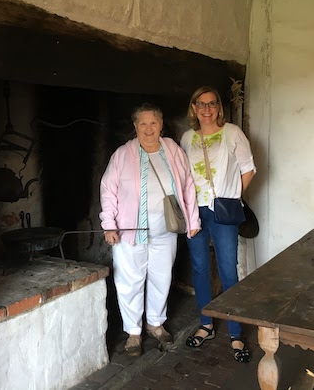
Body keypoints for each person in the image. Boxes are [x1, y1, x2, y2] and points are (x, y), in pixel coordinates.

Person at [100, 103, 201, 357]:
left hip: (165, 230)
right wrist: (108, 224)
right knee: (129, 282)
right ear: (135, 127)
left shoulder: (173, 150)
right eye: (142, 123)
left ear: (161, 124)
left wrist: (193, 221)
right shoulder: (122, 154)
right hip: (129, 231)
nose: (148, 128)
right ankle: (133, 332)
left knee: (161, 277)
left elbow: (188, 184)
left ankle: (155, 323)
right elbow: (108, 190)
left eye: (153, 123)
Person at [180, 86, 256, 363]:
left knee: (228, 270)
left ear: (219, 108)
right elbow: (183, 174)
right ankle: (206, 324)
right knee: (199, 268)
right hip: (195, 211)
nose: (207, 109)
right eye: (201, 104)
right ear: (194, 108)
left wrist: (234, 198)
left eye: (212, 104)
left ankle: (235, 333)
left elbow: (248, 168)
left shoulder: (232, 132)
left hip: (223, 210)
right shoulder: (187, 137)